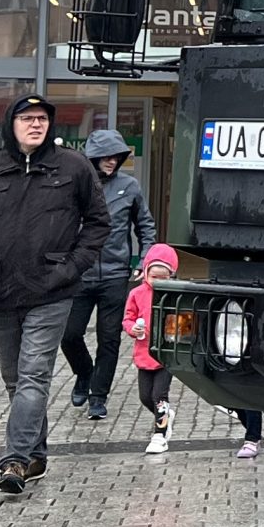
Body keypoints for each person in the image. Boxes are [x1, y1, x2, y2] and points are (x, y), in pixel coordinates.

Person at [0, 94, 110, 494]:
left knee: (34, 374)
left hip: (52, 291)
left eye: (42, 118)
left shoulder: (74, 167)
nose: (36, 124)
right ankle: (36, 454)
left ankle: (14, 460)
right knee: (15, 379)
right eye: (27, 118)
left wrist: (69, 268)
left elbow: (98, 223)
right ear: (11, 124)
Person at [65, 130, 157, 420]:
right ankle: (84, 373)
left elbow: (146, 226)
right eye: (106, 156)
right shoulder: (76, 185)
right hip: (80, 274)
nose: (112, 161)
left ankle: (98, 395)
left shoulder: (129, 186)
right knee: (69, 334)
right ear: (93, 157)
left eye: (117, 156)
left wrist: (145, 260)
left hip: (115, 275)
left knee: (109, 339)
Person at [121, 243, 182, 453]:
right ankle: (164, 416)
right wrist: (133, 329)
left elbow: (184, 320)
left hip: (166, 355)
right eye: (154, 276)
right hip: (144, 353)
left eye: (163, 278)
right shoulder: (136, 294)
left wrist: (176, 331)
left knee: (159, 396)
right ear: (146, 272)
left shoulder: (174, 295)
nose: (157, 282)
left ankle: (160, 435)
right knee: (145, 396)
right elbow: (128, 318)